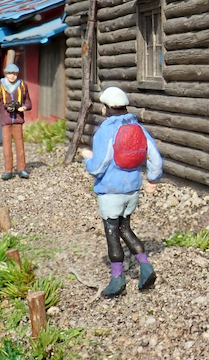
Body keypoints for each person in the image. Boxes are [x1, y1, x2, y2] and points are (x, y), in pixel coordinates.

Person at [80, 86, 163, 298]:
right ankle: (145, 267)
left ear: (105, 108)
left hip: (111, 191)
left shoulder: (105, 132)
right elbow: (154, 156)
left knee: (112, 232)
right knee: (126, 228)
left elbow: (98, 166)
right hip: (132, 188)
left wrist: (88, 158)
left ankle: (117, 279)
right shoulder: (138, 127)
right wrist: (152, 179)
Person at [0, 63, 31, 180]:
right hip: (6, 120)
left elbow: (28, 102)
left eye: (14, 74)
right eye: (10, 73)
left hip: (18, 120)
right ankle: (8, 170)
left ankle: (22, 169)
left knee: (20, 146)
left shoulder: (22, 85)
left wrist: (23, 107)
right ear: (6, 74)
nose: (12, 76)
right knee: (7, 146)